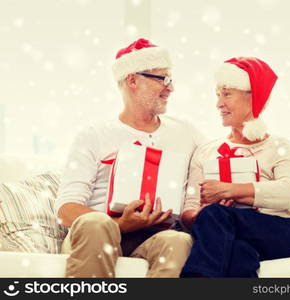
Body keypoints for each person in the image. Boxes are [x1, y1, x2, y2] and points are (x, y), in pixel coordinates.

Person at [55, 38, 205, 278]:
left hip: (151, 238)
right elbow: (66, 210)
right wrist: (119, 224)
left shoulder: (186, 133)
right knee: (96, 224)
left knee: (178, 241)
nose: (171, 88)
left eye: (171, 80)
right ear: (132, 80)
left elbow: (211, 168)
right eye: (163, 79)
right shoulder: (94, 134)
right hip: (98, 234)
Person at [180, 57, 290, 277]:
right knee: (238, 254)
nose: (219, 104)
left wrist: (230, 190)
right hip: (231, 233)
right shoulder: (206, 151)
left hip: (287, 233)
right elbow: (188, 210)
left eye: (227, 94)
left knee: (217, 216)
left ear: (253, 97)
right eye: (218, 95)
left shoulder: (278, 145)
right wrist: (201, 216)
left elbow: (288, 193)